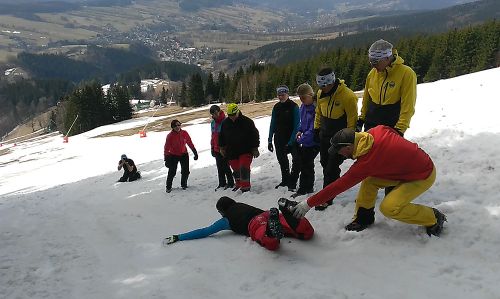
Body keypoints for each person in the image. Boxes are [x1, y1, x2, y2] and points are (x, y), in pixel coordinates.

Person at [290, 126, 447, 237]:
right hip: (407, 169)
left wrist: (308, 203)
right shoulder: (375, 131)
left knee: (389, 207)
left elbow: (338, 186)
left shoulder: (366, 163)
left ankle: (433, 217)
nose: (342, 156)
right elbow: (392, 132)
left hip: (423, 174)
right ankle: (363, 218)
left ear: (349, 146)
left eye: (341, 152)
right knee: (370, 181)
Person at [163, 196, 314, 251]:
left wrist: (179, 237)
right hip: (266, 214)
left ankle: (270, 231)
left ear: (222, 211)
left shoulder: (225, 220)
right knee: (305, 233)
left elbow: (204, 231)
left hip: (256, 224)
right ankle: (289, 215)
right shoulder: (241, 204)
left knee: (271, 242)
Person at [313, 67, 358, 210]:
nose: (323, 88)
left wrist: (349, 139)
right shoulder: (320, 94)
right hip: (324, 134)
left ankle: (326, 198)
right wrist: (316, 128)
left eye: (325, 85)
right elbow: (318, 112)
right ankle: (333, 184)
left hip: (340, 138)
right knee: (324, 163)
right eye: (320, 86)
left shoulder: (348, 96)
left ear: (331, 82)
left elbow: (352, 120)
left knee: (330, 168)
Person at [357, 39, 417, 136]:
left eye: (375, 62)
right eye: (370, 61)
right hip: (371, 123)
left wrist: (400, 130)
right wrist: (361, 119)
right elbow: (367, 98)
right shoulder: (373, 73)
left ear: (387, 58)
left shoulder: (406, 73)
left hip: (391, 125)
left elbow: (408, 105)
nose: (373, 65)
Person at [218, 103, 260, 192]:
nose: (232, 117)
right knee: (236, 169)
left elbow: (255, 135)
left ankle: (245, 187)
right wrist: (221, 147)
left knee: (244, 167)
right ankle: (238, 184)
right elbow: (221, 136)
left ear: (238, 112)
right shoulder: (225, 123)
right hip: (232, 151)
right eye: (230, 115)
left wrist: (255, 148)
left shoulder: (247, 122)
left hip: (246, 149)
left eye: (233, 115)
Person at [268, 85, 300, 191]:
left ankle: (293, 180)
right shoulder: (276, 107)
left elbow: (296, 126)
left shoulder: (294, 106)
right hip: (279, 138)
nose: (281, 97)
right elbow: (272, 123)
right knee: (282, 160)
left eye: (283, 94)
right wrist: (269, 140)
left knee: (297, 160)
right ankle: (285, 180)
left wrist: (291, 142)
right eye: (279, 95)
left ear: (287, 94)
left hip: (292, 138)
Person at [292, 83, 320, 198]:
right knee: (306, 164)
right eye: (300, 98)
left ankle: (305, 188)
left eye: (303, 97)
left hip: (314, 141)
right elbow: (303, 123)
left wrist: (300, 140)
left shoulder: (316, 107)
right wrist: (299, 130)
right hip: (306, 141)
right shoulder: (303, 106)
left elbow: (313, 128)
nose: (301, 100)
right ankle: (307, 187)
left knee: (306, 164)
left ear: (310, 95)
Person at [164, 119, 198, 193]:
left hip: (184, 154)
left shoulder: (184, 133)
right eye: (175, 126)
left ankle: (184, 184)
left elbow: (189, 143)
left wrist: (195, 152)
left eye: (179, 125)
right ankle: (168, 187)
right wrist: (166, 159)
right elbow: (166, 147)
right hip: (173, 155)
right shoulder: (170, 136)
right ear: (172, 127)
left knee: (185, 171)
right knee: (172, 172)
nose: (177, 127)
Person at [209, 105, 235, 191]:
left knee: (226, 166)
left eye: (215, 113)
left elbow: (229, 136)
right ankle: (222, 183)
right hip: (216, 148)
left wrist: (226, 148)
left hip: (224, 148)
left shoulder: (225, 121)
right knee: (219, 167)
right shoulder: (213, 123)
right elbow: (213, 136)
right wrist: (212, 147)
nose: (214, 116)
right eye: (212, 114)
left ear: (219, 112)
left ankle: (231, 182)